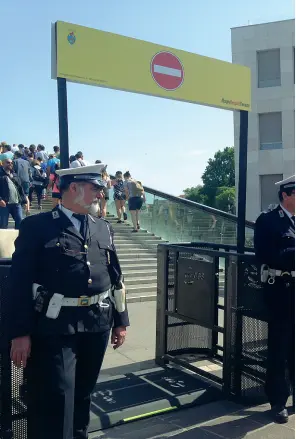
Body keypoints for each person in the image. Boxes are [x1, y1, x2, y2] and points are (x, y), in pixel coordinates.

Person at [7, 164, 129, 439]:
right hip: (55, 326)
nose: (101, 195)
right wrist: (20, 333)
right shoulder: (37, 226)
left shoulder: (103, 227)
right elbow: (19, 282)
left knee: (84, 393)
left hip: (97, 323)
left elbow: (115, 277)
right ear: (74, 188)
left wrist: (120, 321)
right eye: (96, 189)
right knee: (58, 395)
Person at [254, 175, 295, 424]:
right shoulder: (268, 221)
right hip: (281, 290)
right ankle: (278, 400)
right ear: (286, 196)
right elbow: (267, 254)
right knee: (279, 348)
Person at [0, 158, 29, 228]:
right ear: (3, 164)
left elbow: (20, 189)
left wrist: (24, 201)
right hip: (5, 204)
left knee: (20, 222)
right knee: (3, 224)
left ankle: (18, 238)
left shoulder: (14, 175)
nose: (10, 164)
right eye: (8, 162)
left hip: (16, 203)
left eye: (11, 163)